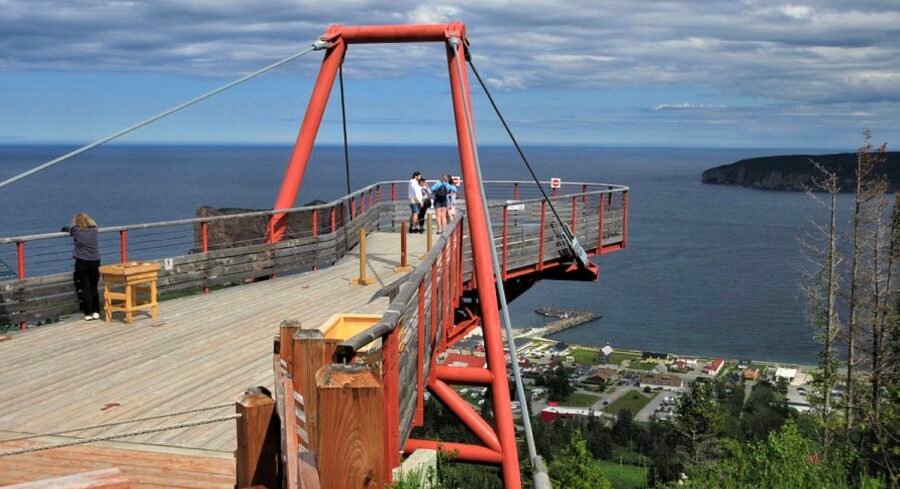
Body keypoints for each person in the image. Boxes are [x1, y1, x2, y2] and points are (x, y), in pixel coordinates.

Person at [62, 213, 101, 321]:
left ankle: (87, 313)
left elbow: (66, 228)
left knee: (85, 288)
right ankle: (96, 311)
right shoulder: (94, 229)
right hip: (95, 261)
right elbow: (95, 225)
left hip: (82, 262)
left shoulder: (75, 230)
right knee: (94, 287)